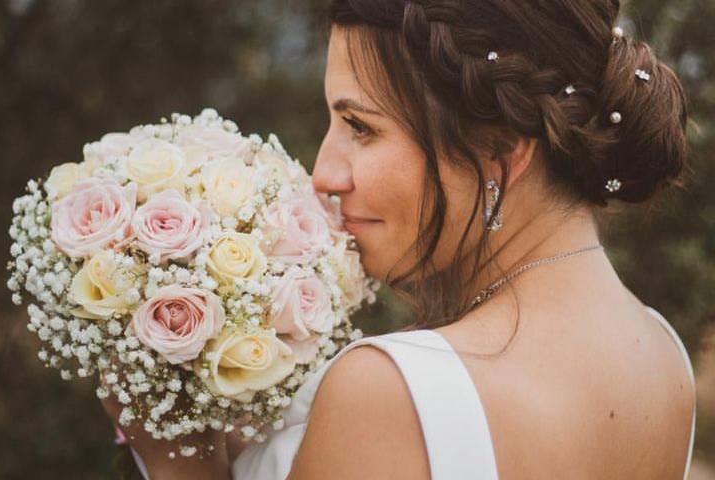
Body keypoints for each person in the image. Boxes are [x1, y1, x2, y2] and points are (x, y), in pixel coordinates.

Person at [103, 0, 697, 478]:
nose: (324, 173)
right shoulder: (664, 357)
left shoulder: (392, 392)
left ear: (498, 154)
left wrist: (179, 462)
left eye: (361, 127)